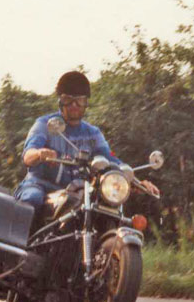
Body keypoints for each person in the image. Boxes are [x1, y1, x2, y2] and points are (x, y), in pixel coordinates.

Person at [14, 71, 159, 212]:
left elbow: (111, 160)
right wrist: (39, 153)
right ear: (60, 101)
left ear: (86, 103)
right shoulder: (46, 124)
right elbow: (28, 155)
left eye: (80, 100)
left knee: (105, 211)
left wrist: (139, 183)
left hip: (75, 192)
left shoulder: (92, 133)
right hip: (41, 185)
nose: (74, 105)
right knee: (32, 198)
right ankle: (20, 236)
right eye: (68, 100)